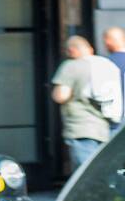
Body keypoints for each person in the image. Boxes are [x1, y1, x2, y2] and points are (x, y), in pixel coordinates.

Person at [51, 35, 120, 169]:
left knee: (84, 174)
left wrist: (54, 92)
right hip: (104, 128)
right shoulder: (106, 66)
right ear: (90, 49)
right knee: (99, 170)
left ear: (72, 50)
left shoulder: (71, 66)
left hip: (80, 127)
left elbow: (61, 95)